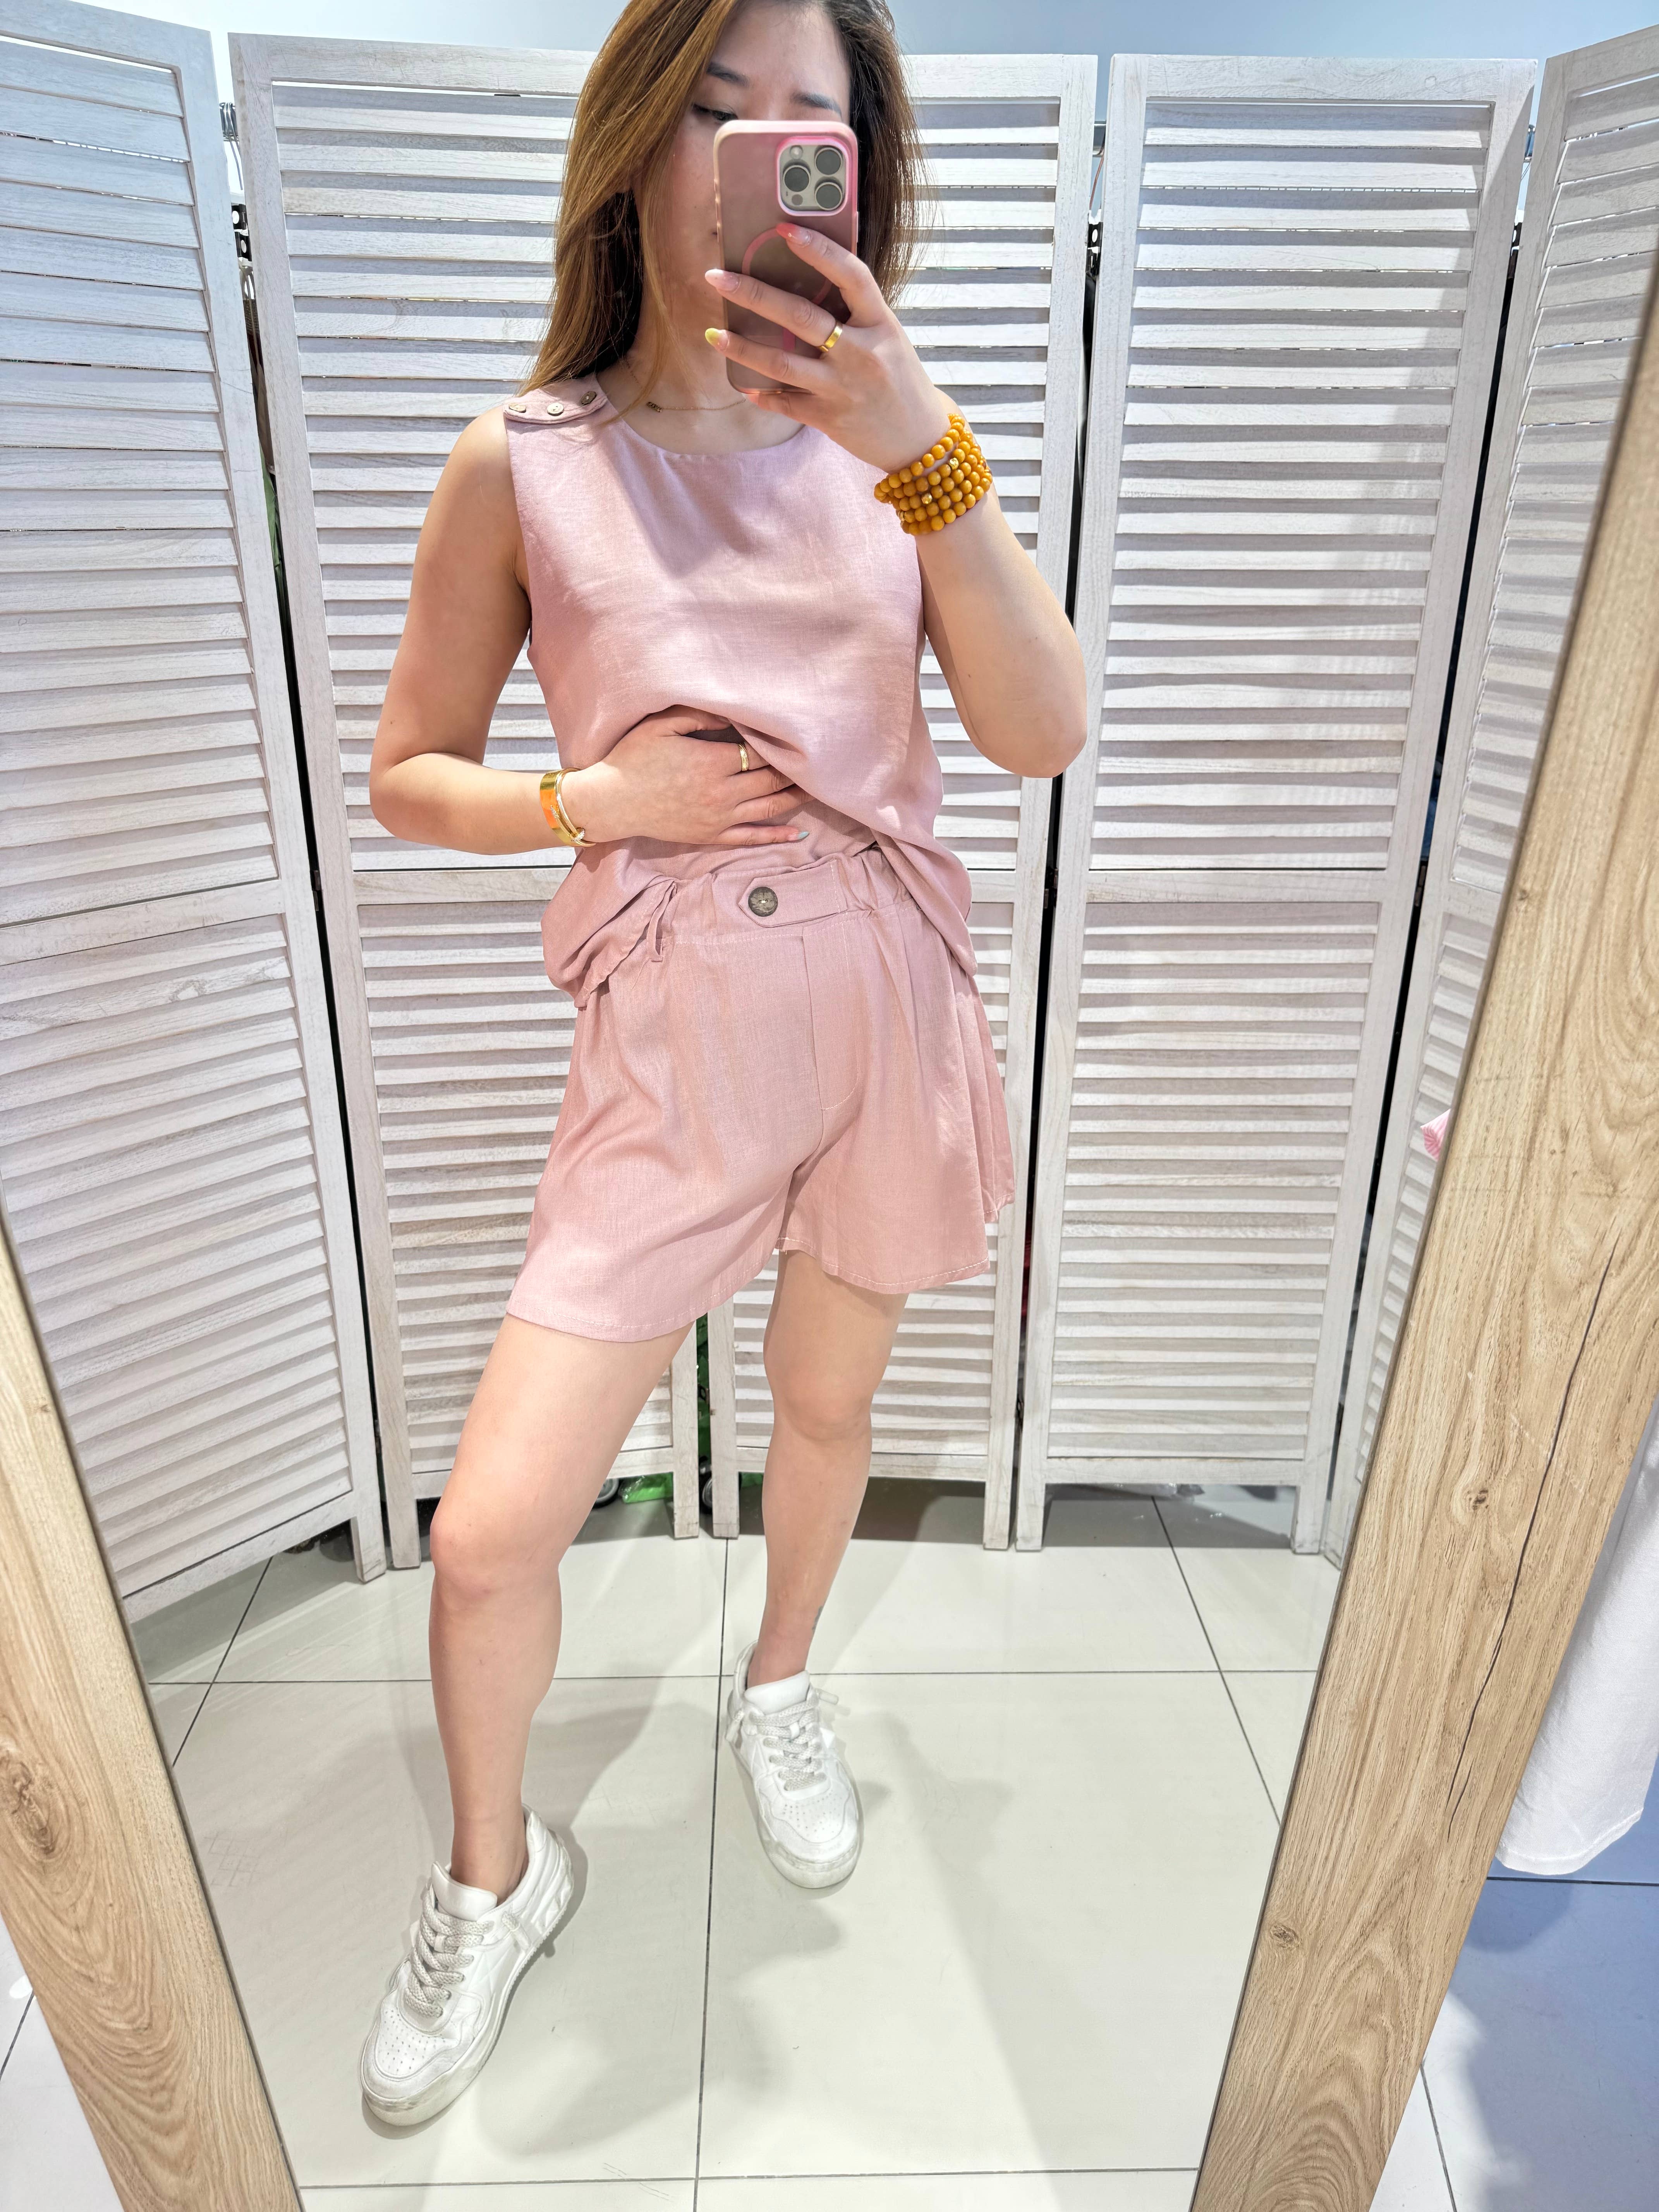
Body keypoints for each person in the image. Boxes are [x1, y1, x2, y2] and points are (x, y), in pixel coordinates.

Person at [357, 0, 1085, 2126]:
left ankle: (779, 1684)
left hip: (883, 997)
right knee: (492, 1533)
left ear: (859, 170)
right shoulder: (525, 462)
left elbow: (1040, 730)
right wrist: (592, 803)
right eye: (718, 107)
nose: (766, 149)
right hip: (673, 1023)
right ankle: (495, 1876)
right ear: (636, 141)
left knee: (827, 1404)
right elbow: (408, 773)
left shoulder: (903, 447)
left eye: (813, 121)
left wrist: (921, 436)